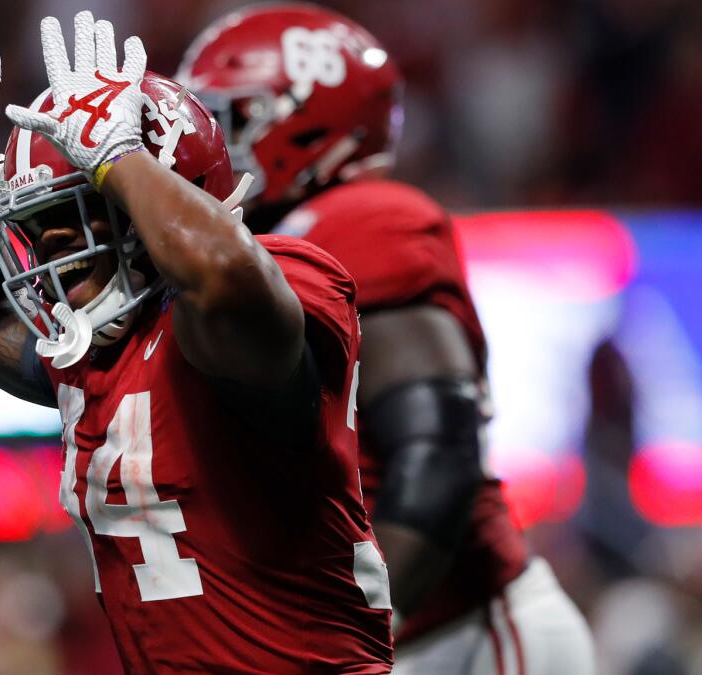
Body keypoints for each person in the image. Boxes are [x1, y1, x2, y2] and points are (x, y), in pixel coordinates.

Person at [0, 11, 393, 673]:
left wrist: (118, 160)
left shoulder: (280, 283)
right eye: (37, 222)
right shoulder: (98, 361)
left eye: (73, 213)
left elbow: (220, 281)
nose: (50, 244)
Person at [178, 5, 596, 674]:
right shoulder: (248, 254)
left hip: (458, 632)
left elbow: (437, 453)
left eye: (222, 120)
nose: (198, 146)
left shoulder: (360, 221)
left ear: (297, 120)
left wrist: (361, 634)